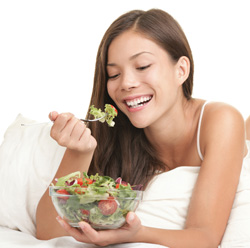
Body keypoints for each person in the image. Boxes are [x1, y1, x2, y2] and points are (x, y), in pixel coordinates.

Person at [36, 8, 249, 247]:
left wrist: (137, 234)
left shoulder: (221, 120)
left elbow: (206, 237)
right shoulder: (112, 131)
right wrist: (79, 151)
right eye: (113, 74)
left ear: (181, 70)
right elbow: (47, 231)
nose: (126, 83)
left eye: (143, 66)